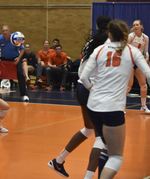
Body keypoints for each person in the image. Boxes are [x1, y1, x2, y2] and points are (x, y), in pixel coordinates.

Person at [81, 19, 150, 179]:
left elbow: (84, 77)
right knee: (116, 157)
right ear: (126, 34)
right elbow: (148, 74)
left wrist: (93, 89)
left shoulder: (99, 50)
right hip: (112, 107)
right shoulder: (132, 52)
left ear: (109, 34)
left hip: (93, 105)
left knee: (105, 144)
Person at [48, 15, 111, 178]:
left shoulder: (91, 42)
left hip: (81, 88)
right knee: (101, 139)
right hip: (92, 89)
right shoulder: (108, 44)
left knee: (89, 130)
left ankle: (58, 161)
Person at [0, 25, 29, 102]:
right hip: (4, 60)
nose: (5, 32)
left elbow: (22, 49)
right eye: (3, 31)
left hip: (14, 60)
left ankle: (24, 95)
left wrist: (18, 58)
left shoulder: (14, 38)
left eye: (6, 30)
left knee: (20, 75)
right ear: (2, 32)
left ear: (9, 31)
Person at [126, 20, 150, 114]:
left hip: (139, 62)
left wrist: (147, 57)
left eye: (137, 25)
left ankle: (143, 107)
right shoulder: (131, 36)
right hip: (130, 61)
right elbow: (125, 47)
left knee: (143, 85)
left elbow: (146, 51)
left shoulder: (145, 38)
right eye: (134, 25)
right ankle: (120, 107)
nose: (135, 26)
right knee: (129, 86)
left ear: (141, 26)